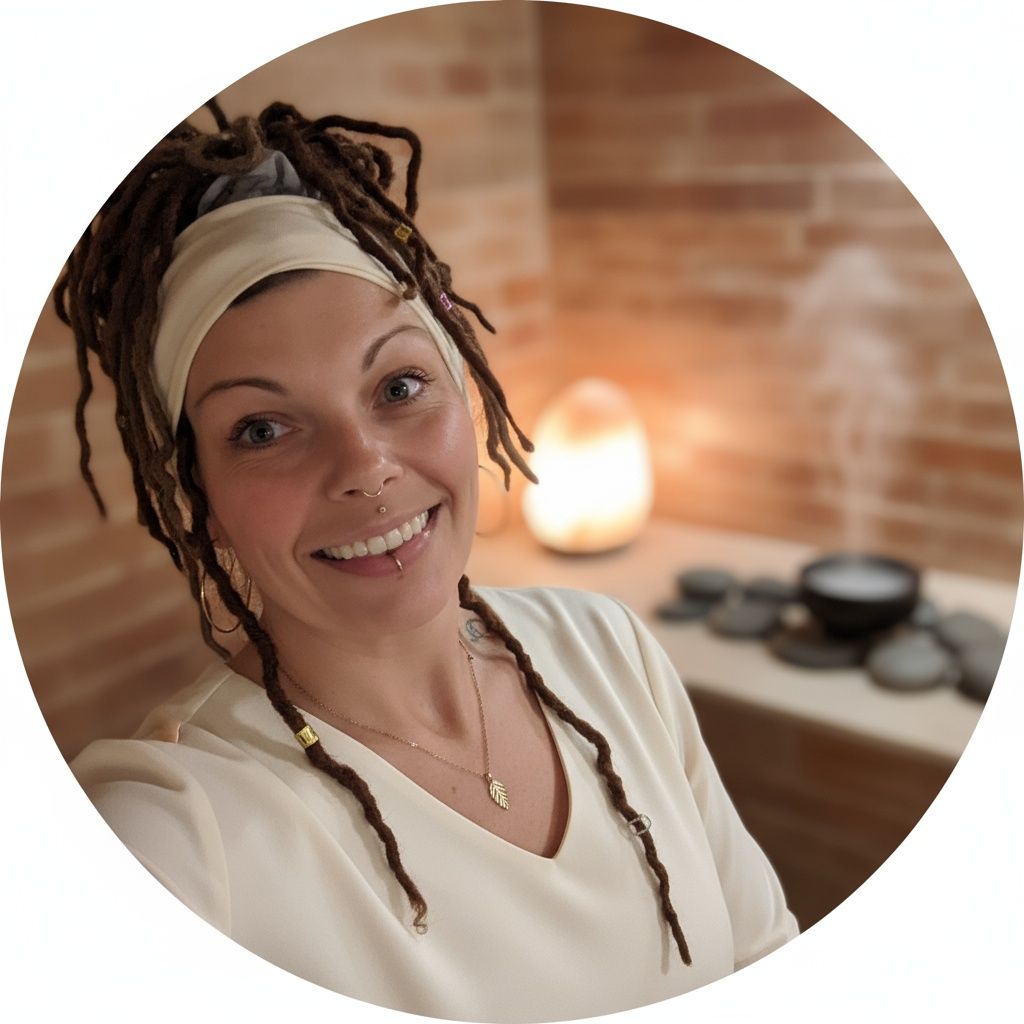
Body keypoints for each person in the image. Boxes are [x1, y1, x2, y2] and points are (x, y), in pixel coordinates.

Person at [59, 99, 798, 1022]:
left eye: (398, 386)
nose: (364, 467)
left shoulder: (610, 650)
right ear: (199, 499)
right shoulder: (183, 828)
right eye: (262, 428)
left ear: (466, 394)